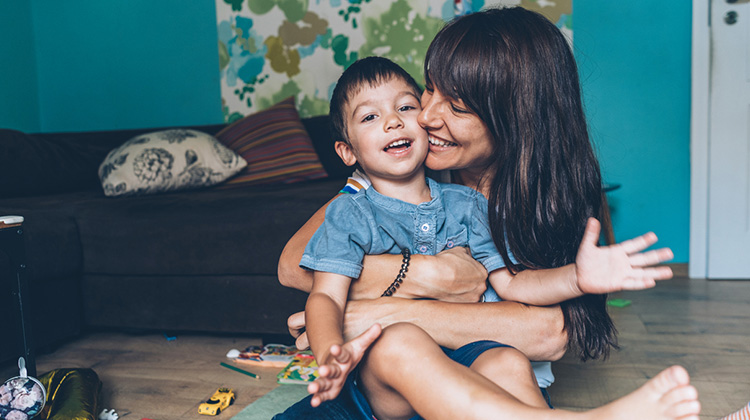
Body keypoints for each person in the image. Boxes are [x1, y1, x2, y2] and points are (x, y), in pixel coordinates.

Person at [276, 7, 701, 420]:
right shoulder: (376, 187)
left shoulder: (490, 204)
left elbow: (548, 329)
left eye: (456, 106)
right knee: (399, 346)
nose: (424, 116)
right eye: (428, 89)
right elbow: (296, 266)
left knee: (505, 363)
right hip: (386, 388)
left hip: (485, 381)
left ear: (516, 117)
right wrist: (427, 275)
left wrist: (378, 310)